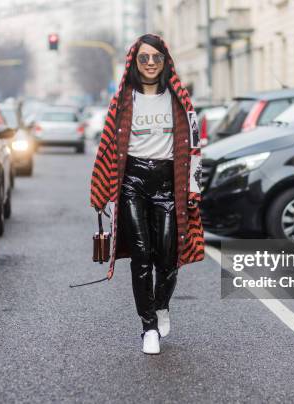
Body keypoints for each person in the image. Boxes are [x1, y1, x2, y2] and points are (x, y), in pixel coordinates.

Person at [90, 34, 204, 355]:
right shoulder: (124, 100)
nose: (150, 63)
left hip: (169, 182)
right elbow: (108, 147)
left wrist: (194, 189)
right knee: (141, 254)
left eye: (156, 57)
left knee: (168, 256)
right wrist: (103, 190)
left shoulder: (179, 101)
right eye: (144, 58)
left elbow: (195, 147)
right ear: (135, 63)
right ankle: (148, 327)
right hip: (132, 183)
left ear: (165, 61)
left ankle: (161, 305)